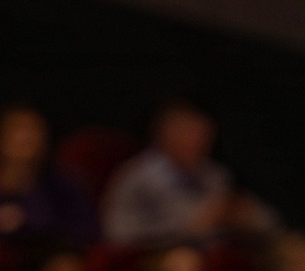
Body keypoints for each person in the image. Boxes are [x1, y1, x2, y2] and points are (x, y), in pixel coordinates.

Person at [102, 99, 274, 248]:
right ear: (165, 134)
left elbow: (270, 223)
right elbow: (118, 235)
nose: (200, 143)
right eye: (190, 133)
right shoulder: (138, 177)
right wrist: (195, 225)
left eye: (204, 135)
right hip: (156, 264)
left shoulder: (214, 174)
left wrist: (245, 217)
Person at [0, 104, 96, 246]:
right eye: (17, 129)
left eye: (34, 129)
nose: (26, 138)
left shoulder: (63, 184)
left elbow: (84, 232)